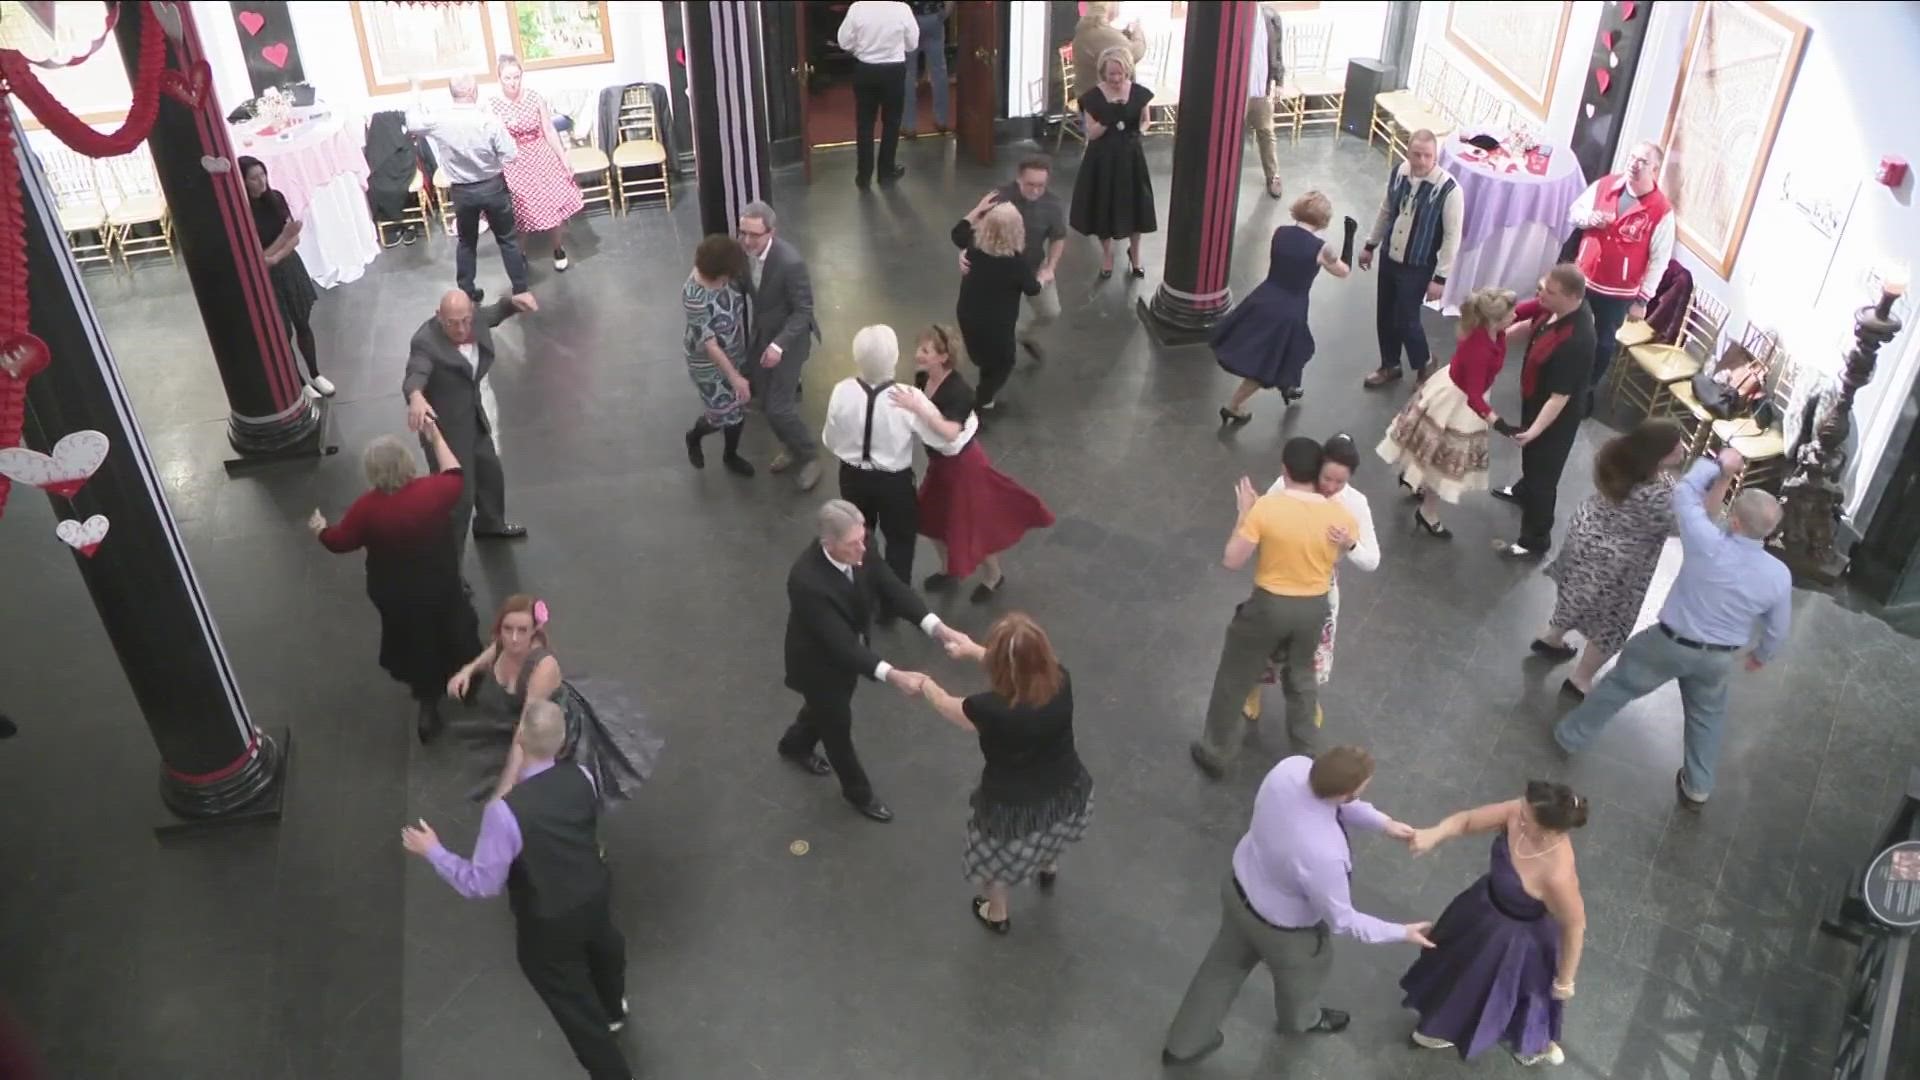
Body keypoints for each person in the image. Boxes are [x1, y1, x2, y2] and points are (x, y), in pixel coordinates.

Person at [401, 700, 634, 1080]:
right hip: (593, 894)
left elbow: (482, 883)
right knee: (606, 949)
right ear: (562, 744)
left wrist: (434, 851)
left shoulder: (505, 814)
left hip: (548, 924)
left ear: (520, 738)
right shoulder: (583, 776)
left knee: (575, 1009)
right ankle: (613, 1010)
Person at [1554, 448, 1793, 810]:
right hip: (1718, 658)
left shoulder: (1707, 543)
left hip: (1669, 644)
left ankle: (1571, 736)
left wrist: (1718, 463)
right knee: (1707, 718)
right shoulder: (1779, 575)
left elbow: (1684, 494)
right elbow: (1778, 628)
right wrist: (1762, 656)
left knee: (1618, 686)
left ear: (1736, 522)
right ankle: (1698, 786)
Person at [1162, 748, 1431, 1064]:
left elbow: (1333, 803)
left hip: (1239, 891)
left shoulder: (1291, 769)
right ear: (1348, 792)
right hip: (1283, 933)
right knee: (1302, 980)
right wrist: (1401, 932)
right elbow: (1343, 920)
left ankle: (1182, 1046)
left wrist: (1383, 823)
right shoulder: (1325, 854)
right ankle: (1301, 1022)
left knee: (1219, 971)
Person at [776, 499, 975, 823]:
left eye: (863, 539)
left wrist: (936, 628)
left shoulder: (861, 544)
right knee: (837, 728)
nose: (862, 549)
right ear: (828, 544)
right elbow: (839, 645)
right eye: (852, 544)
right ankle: (858, 793)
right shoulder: (806, 581)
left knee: (824, 711)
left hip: (845, 652)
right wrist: (894, 675)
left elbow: (892, 587)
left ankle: (794, 744)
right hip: (819, 666)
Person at [915, 613, 1092, 933]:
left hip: (1012, 806)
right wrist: (972, 649)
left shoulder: (989, 709)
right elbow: (1023, 665)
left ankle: (996, 914)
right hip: (1067, 787)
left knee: (995, 863)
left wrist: (926, 684)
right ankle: (1048, 867)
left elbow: (946, 705)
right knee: (1051, 833)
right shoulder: (1061, 679)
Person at [1190, 438, 1355, 777]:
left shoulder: (1268, 508)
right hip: (1314, 608)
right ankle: (1309, 759)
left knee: (1235, 676)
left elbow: (1232, 560)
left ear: (1284, 469)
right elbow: (1338, 557)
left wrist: (1244, 514)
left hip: (1269, 606)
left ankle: (1216, 752)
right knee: (1302, 679)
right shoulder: (1340, 516)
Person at [310, 424, 480, 743]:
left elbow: (340, 541)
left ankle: (428, 705)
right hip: (440, 584)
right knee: (454, 626)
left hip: (395, 594)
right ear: (407, 462)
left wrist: (320, 528)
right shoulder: (434, 491)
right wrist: (436, 435)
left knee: (416, 642)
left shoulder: (365, 510)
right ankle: (467, 682)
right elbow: (455, 472)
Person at [1400, 782, 1589, 1067]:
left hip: (1519, 938)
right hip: (1482, 908)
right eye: (1522, 807)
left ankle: (1534, 1044)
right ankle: (1443, 1026)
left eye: (1526, 817)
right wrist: (1435, 834)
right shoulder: (1521, 810)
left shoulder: (1558, 874)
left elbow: (1575, 926)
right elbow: (1466, 821)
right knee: (1459, 972)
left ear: (1549, 830)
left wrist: (1565, 981)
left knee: (1518, 994)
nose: (1517, 814)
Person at [1536, 421, 1705, 698]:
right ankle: (1581, 679)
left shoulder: (1615, 456)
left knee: (1576, 594)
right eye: (1677, 446)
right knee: (1613, 622)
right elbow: (1686, 526)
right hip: (1619, 561)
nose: (1683, 448)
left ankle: (1552, 638)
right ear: (1660, 455)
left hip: (1586, 533)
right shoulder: (1657, 496)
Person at [446, 595, 661, 807]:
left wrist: (504, 788)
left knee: (558, 791)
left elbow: (525, 729)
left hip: (550, 730)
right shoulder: (505, 643)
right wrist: (468, 670)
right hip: (523, 720)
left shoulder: (542, 668)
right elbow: (493, 651)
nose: (513, 638)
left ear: (534, 631)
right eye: (507, 628)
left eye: (522, 630)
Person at [891, 325, 1053, 601]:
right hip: (941, 465)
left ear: (943, 358)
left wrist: (917, 409)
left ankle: (993, 576)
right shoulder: (923, 380)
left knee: (974, 525)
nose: (918, 354)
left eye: (925, 350)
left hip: (964, 467)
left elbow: (950, 431)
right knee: (930, 517)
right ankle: (947, 569)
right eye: (920, 348)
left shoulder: (959, 391)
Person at [1244, 434, 1379, 724]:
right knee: (1265, 642)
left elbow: (1372, 560)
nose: (1330, 487)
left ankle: (1308, 700)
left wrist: (1349, 543)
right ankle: (1252, 689)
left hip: (1320, 585)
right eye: (1326, 478)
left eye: (1339, 482)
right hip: (1280, 575)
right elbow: (1264, 514)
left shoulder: (1355, 503)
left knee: (1313, 650)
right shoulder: (1291, 483)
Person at [823, 325, 960, 600]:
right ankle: (895, 600)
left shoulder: (841, 391)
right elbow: (945, 441)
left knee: (859, 538)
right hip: (894, 484)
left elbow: (831, 439)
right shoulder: (908, 398)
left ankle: (863, 590)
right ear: (895, 358)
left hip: (852, 478)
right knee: (900, 541)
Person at [403, 289, 536, 568]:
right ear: (439, 317)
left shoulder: (474, 319)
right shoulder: (425, 342)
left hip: (473, 418)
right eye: (453, 322)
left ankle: (490, 523)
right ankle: (450, 569)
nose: (461, 328)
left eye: (465, 320)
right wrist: (416, 395)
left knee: (490, 474)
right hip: (446, 434)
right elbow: (417, 371)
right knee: (457, 503)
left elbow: (494, 313)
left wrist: (513, 303)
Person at [1376, 287, 1518, 538]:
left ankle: (1412, 479)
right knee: (1442, 462)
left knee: (1429, 445)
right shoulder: (1480, 349)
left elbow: (1527, 310)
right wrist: (1500, 424)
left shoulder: (1490, 329)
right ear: (1495, 320)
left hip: (1453, 390)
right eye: (1511, 313)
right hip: (1459, 402)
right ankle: (1428, 512)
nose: (1516, 316)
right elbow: (1474, 397)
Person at [1213, 192, 1353, 420]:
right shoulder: (1321, 248)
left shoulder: (1280, 233)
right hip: (1291, 309)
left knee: (1289, 348)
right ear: (1323, 219)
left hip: (1264, 296)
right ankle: (1233, 405)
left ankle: (1288, 385)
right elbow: (1343, 271)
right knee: (1268, 360)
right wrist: (1350, 237)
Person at [1491, 265, 1596, 558]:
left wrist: (1534, 430)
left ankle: (1536, 538)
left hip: (1555, 418)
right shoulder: (1553, 309)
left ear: (1572, 297)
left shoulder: (1578, 340)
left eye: (1550, 292)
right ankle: (1524, 490)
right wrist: (1497, 338)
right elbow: (1531, 327)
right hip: (1535, 399)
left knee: (1543, 476)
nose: (1541, 294)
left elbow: (1559, 398)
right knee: (1531, 461)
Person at [406, 74, 531, 305]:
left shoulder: (440, 120)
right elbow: (511, 154)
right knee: (507, 239)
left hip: (463, 191)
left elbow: (413, 123)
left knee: (467, 242)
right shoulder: (488, 120)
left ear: (451, 92)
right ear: (474, 91)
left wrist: (415, 90)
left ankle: (466, 291)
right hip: (493, 185)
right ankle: (521, 289)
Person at [1358, 129, 1463, 389]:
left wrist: (1440, 278)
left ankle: (1424, 362)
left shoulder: (1449, 190)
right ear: (1408, 151)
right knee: (1385, 314)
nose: (1422, 161)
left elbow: (1452, 236)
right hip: (1390, 257)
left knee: (1406, 318)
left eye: (1428, 156)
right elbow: (1386, 210)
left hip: (1418, 264)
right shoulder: (1399, 173)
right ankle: (1390, 364)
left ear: (1435, 156)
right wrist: (1370, 245)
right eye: (1417, 154)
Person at [1570, 142, 1675, 386]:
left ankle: (1586, 389)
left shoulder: (1661, 211)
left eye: (1642, 162)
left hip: (1617, 293)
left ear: (1655, 170)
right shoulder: (1605, 185)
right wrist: (1589, 219)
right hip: (1583, 278)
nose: (1633, 164)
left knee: (1603, 342)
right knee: (1569, 333)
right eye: (1632, 157)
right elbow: (1574, 213)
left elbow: (1660, 259)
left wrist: (1642, 300)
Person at [737, 201, 823, 490]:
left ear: (771, 232)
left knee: (779, 407)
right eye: (743, 233)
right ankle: (791, 445)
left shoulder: (790, 262)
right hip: (762, 335)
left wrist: (778, 346)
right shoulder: (745, 254)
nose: (747, 241)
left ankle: (810, 455)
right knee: (763, 399)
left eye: (754, 235)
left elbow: (803, 310)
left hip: (789, 342)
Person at [959, 157, 1067, 362]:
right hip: (997, 269)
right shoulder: (998, 199)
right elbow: (973, 227)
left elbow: (1058, 237)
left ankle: (1021, 336)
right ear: (1019, 179)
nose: (1035, 191)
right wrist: (964, 252)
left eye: (1041, 186)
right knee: (991, 317)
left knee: (1050, 311)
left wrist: (1050, 267)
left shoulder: (1053, 205)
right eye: (1030, 184)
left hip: (1032, 266)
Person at [238, 156, 329, 397]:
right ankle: (299, 382)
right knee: (282, 332)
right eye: (254, 178)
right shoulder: (243, 213)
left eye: (263, 175)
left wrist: (276, 256)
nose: (261, 182)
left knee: (303, 323)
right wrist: (280, 242)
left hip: (289, 267)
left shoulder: (276, 198)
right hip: (266, 279)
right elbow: (257, 256)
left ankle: (315, 373)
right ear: (243, 183)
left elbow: (294, 239)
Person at [489, 54, 584, 273]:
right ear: (499, 78)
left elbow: (549, 130)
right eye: (508, 78)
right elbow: (493, 139)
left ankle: (558, 248)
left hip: (541, 154)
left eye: (517, 77)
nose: (513, 82)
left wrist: (563, 157)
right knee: (521, 210)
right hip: (514, 159)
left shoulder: (533, 97)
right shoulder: (493, 105)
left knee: (553, 204)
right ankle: (520, 254)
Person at [1070, 47, 1157, 280]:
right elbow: (1091, 133)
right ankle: (1107, 254)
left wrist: (1138, 132)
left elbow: (1146, 121)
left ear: (1127, 71)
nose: (1117, 79)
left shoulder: (1138, 93)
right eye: (1112, 75)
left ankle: (1135, 254)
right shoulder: (1092, 98)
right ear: (1103, 73)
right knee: (1104, 207)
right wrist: (1108, 119)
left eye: (1120, 74)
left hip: (1130, 157)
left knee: (1136, 207)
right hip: (1103, 159)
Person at [951, 201, 1042, 411]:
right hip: (997, 324)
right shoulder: (1016, 263)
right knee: (1004, 362)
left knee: (984, 355)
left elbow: (958, 232)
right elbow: (1033, 289)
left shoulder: (973, 247)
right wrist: (1045, 277)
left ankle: (985, 385)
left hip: (968, 314)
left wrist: (978, 208)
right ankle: (982, 398)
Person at [681, 234, 755, 478]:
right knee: (720, 414)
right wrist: (734, 377)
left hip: (734, 351)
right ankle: (694, 436)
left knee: (737, 411)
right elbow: (710, 344)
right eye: (723, 278)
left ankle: (730, 455)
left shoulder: (728, 274)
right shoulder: (694, 296)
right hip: (708, 365)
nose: (727, 282)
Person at [837, 0, 919, 189]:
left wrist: (860, 47)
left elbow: (843, 41)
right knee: (891, 123)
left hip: (865, 70)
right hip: (893, 71)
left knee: (865, 124)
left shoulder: (858, 8)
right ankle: (886, 171)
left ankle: (863, 175)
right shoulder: (902, 9)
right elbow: (912, 44)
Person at [1246, 2, 1287, 201]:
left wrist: (1279, 81)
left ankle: (1273, 177)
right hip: (1236, 94)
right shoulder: (1235, 18)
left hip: (1260, 90)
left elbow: (1278, 52)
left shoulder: (1270, 17)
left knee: (1266, 133)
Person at [1070, 2, 1146, 99]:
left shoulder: (1087, 28)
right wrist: (1137, 31)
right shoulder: (1101, 32)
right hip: (1102, 106)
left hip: (1088, 99)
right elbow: (1135, 52)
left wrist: (1123, 34)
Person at [903, 1, 953, 137]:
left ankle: (909, 125)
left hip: (911, 17)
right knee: (939, 71)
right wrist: (946, 12)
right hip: (934, 17)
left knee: (908, 72)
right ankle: (941, 120)